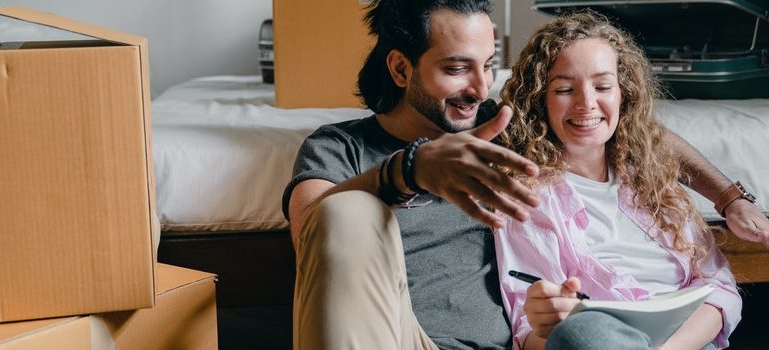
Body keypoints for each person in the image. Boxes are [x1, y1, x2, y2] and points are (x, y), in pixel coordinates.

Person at [282, 1, 765, 349]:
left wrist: (727, 196)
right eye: (456, 68)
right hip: (395, 338)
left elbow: (628, 126)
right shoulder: (340, 145)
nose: (478, 86)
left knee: (588, 334)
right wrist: (406, 172)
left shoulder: (496, 126)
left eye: (488, 65)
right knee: (348, 209)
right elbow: (314, 232)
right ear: (401, 68)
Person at [494, 12, 741, 350]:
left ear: (623, 94)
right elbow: (531, 332)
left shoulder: (655, 180)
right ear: (541, 100)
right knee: (582, 333)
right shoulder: (527, 197)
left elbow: (720, 291)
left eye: (603, 86)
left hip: (686, 344)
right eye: (565, 89)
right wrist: (552, 322)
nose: (587, 104)